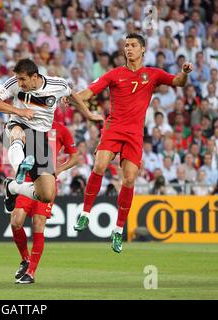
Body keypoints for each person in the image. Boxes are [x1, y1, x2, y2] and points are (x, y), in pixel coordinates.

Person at [74, 34, 193, 253]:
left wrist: (184, 73)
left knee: (129, 179)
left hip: (134, 133)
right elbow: (90, 91)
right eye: (126, 45)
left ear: (143, 49)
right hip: (114, 127)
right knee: (99, 165)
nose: (128, 49)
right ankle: (85, 214)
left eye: (133, 45)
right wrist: (73, 97)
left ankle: (118, 230)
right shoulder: (114, 74)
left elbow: (177, 82)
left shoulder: (153, 74)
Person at [0, 58, 101, 216]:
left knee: (46, 195)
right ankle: (20, 167)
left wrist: (88, 114)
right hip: (16, 125)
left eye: (23, 79)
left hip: (39, 138)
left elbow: (71, 94)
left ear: (35, 77)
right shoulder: (13, 83)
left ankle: (12, 187)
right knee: (18, 133)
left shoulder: (57, 85)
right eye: (18, 79)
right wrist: (19, 112)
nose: (19, 83)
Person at [11, 121, 78, 284]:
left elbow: (75, 156)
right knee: (15, 221)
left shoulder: (61, 129)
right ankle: (25, 259)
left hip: (46, 179)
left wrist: (59, 170)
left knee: (38, 224)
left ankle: (31, 272)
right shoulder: (29, 124)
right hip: (27, 177)